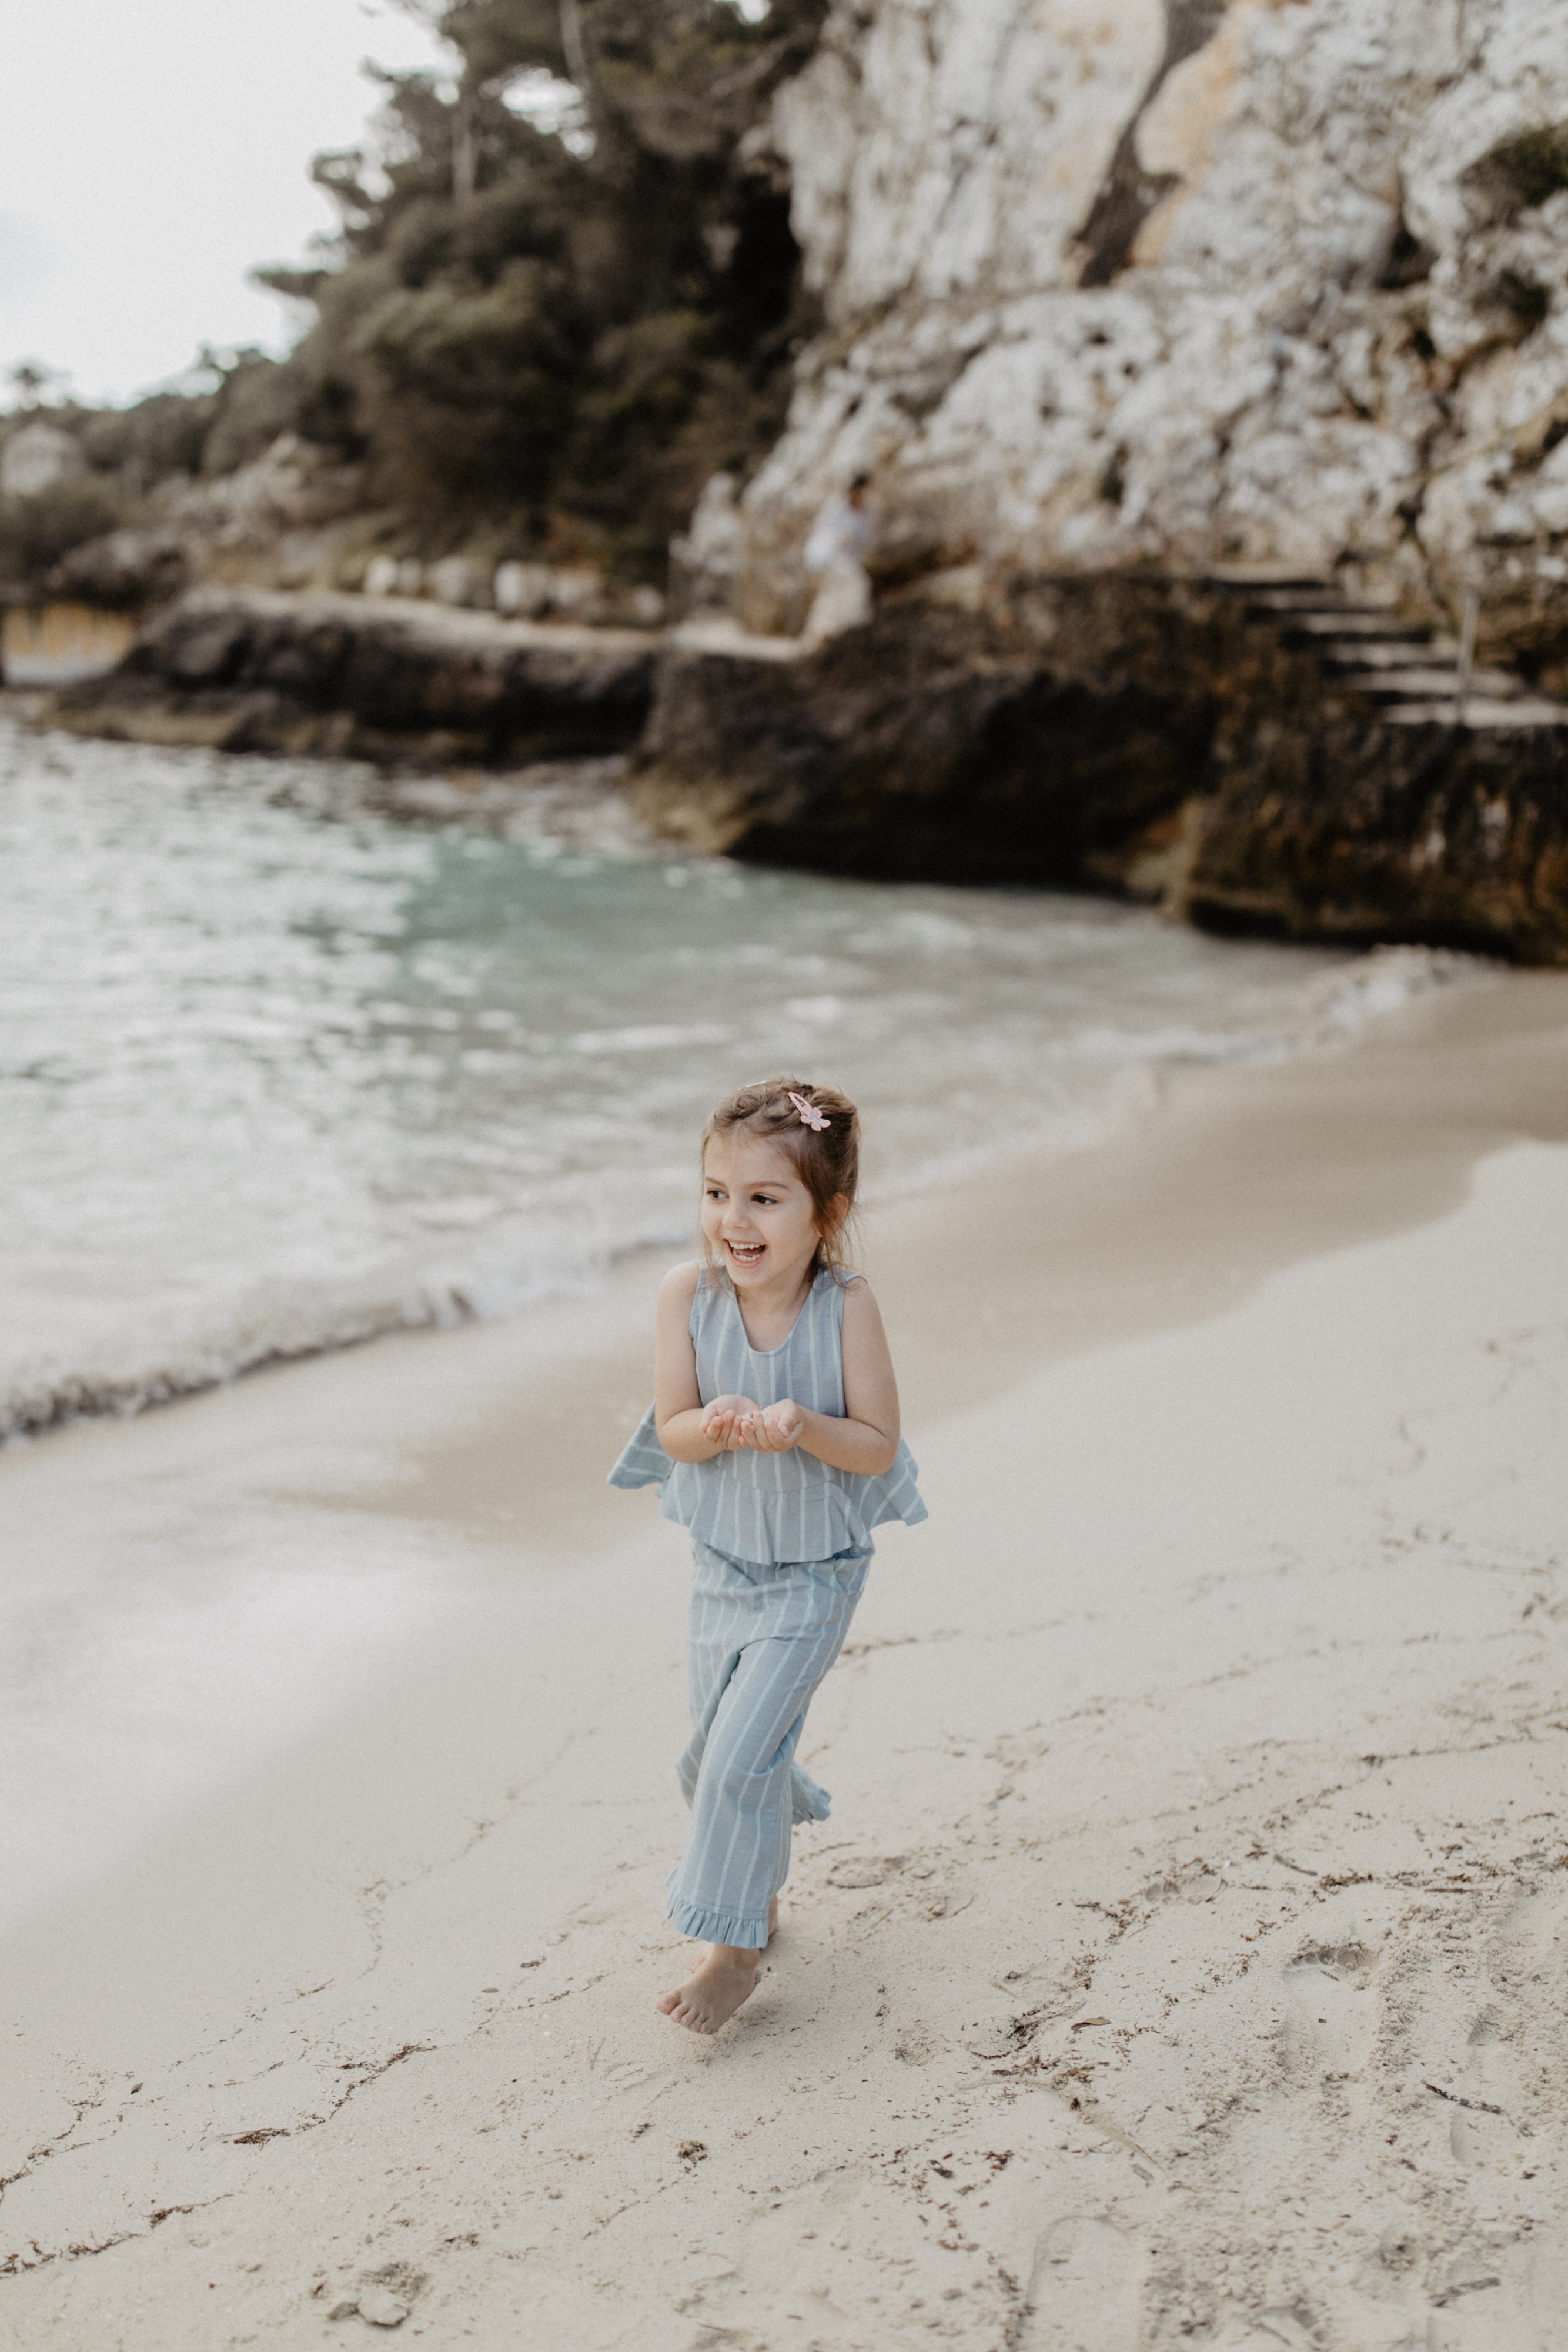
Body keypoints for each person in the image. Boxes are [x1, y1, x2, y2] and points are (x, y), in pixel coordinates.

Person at [609, 1076, 926, 2033]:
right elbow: (671, 1429)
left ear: (824, 1214)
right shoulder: (687, 1298)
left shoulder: (846, 1308)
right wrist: (715, 1421)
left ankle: (734, 1951)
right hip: (722, 1569)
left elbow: (875, 1444)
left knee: (738, 1758)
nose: (731, 1220)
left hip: (815, 1573)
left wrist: (805, 1426)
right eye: (715, 1194)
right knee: (709, 1758)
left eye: (762, 1198)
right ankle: (758, 1872)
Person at [801, 473, 875, 641]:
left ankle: (824, 631)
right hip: (830, 557)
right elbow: (823, 530)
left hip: (848, 560)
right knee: (853, 588)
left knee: (836, 593)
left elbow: (867, 539)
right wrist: (840, 539)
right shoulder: (837, 506)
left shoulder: (866, 513)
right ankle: (828, 631)